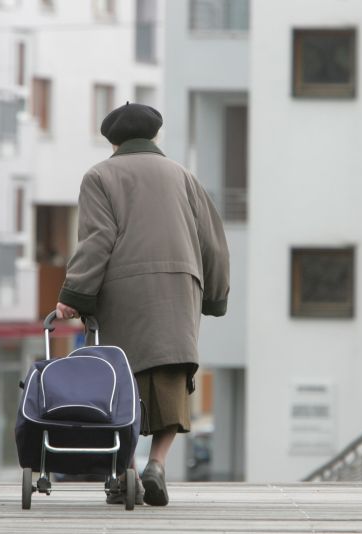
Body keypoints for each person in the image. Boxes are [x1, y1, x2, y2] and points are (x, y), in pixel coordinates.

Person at [56, 102, 230, 506]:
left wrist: (73, 295)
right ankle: (157, 464)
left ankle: (126, 471)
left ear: (113, 141)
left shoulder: (100, 175)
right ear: (153, 136)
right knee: (170, 374)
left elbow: (98, 239)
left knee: (120, 381)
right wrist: (215, 295)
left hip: (123, 291)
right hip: (179, 285)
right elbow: (214, 244)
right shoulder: (183, 176)